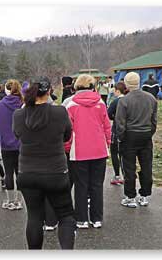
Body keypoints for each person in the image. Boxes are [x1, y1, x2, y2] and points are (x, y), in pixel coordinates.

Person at [14, 76, 76, 249]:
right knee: (65, 216)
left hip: (27, 173)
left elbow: (18, 135)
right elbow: (67, 136)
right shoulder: (60, 112)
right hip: (55, 172)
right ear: (49, 92)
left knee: (34, 216)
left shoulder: (19, 115)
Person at [65, 74, 111, 229]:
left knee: (81, 185)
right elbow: (106, 126)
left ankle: (81, 219)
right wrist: (108, 142)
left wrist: (67, 147)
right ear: (92, 86)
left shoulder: (70, 105)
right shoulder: (101, 102)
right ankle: (97, 218)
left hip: (78, 151)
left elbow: (68, 130)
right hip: (99, 149)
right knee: (97, 185)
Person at [116, 72, 157, 208]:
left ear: (127, 84)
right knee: (146, 166)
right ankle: (144, 195)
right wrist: (149, 132)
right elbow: (154, 121)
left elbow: (120, 122)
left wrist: (121, 137)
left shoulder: (124, 100)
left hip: (129, 136)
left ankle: (130, 196)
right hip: (146, 134)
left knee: (129, 167)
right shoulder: (151, 98)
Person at [0, 79, 23, 210]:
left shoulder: (0, 105)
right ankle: (19, 201)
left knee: (8, 172)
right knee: (20, 172)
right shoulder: (23, 104)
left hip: (5, 143)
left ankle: (10, 200)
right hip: (21, 143)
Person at [107, 82, 129, 185]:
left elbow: (108, 114)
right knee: (124, 155)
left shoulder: (116, 102)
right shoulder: (129, 100)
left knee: (114, 153)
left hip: (116, 130)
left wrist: (114, 118)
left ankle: (117, 175)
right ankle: (126, 176)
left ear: (117, 91)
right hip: (128, 130)